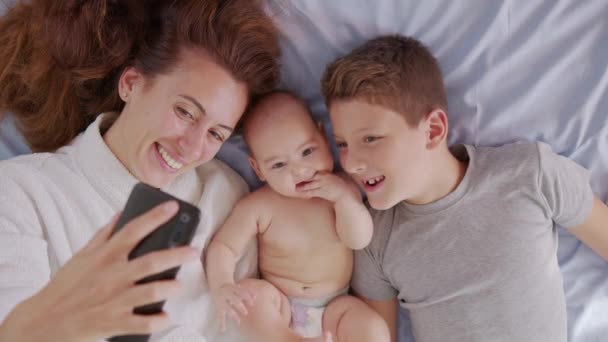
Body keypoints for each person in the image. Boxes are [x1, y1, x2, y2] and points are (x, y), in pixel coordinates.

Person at [0, 1, 280, 341]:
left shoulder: (228, 198)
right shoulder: (21, 192)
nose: (192, 149)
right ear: (131, 84)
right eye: (185, 112)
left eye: (216, 134)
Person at [319, 34, 608, 342]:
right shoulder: (373, 237)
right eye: (341, 144)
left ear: (433, 130)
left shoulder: (529, 174)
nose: (351, 164)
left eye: (370, 139)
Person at [205, 92, 390, 342]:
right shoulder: (259, 205)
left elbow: (359, 239)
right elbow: (224, 246)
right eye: (279, 165)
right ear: (258, 169)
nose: (299, 170)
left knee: (374, 328)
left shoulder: (342, 189)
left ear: (324, 137)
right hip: (280, 307)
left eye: (307, 152)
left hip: (336, 308)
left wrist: (344, 200)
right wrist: (222, 285)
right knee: (251, 296)